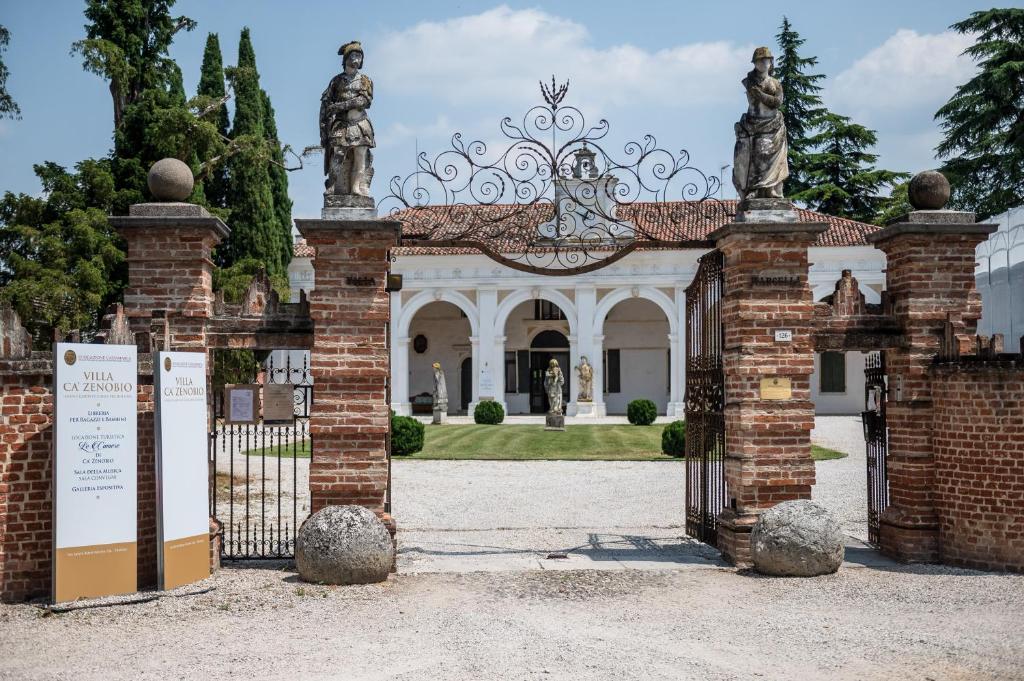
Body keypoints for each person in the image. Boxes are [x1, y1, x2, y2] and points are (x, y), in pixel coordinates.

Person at [320, 41, 375, 198]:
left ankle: (356, 187)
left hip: (361, 124)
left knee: (360, 156)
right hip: (341, 124)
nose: (356, 59)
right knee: (337, 154)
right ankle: (333, 185)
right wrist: (323, 129)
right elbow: (326, 104)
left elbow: (363, 101)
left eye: (359, 56)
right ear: (346, 59)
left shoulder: (365, 80)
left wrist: (340, 106)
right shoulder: (336, 81)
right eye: (353, 55)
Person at [732, 46, 788, 200]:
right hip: (754, 125)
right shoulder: (749, 82)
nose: (764, 63)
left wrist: (761, 95)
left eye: (766, 60)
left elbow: (777, 102)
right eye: (760, 60)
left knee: (772, 159)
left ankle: (771, 190)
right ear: (755, 63)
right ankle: (755, 188)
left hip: (774, 126)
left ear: (771, 63)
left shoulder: (775, 83)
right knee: (757, 155)